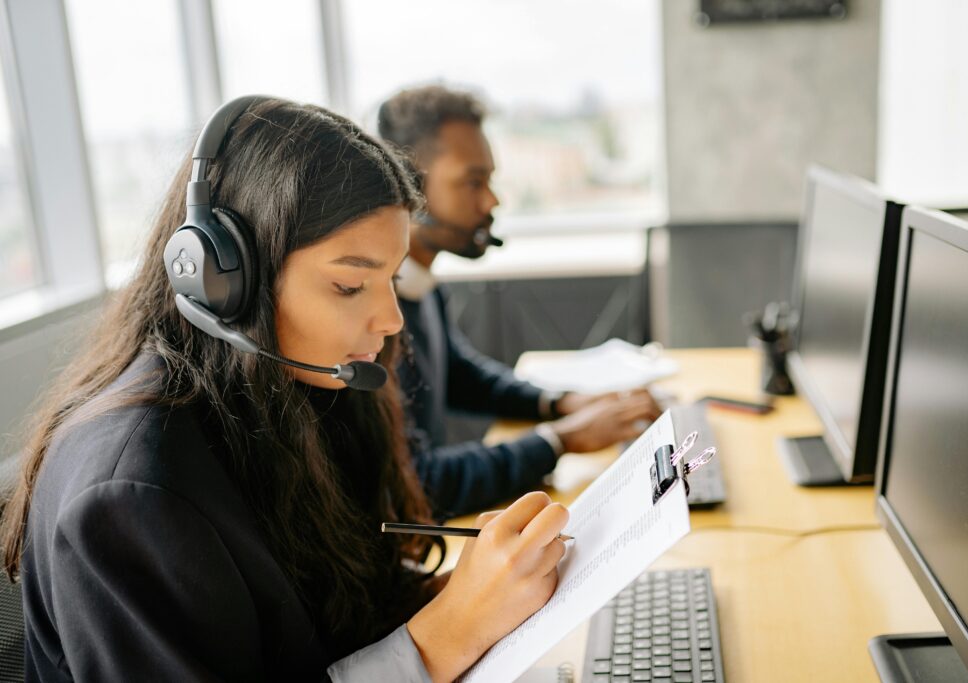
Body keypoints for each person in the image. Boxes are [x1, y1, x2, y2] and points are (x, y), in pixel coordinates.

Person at [0, 97, 569, 682]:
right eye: (350, 285)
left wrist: (474, 592)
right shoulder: (130, 494)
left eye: (391, 277)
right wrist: (448, 633)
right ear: (228, 282)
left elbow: (324, 633)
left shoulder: (297, 391)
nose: (392, 318)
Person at [376, 85, 662, 518]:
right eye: (474, 182)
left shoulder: (419, 283)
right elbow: (419, 482)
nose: (492, 200)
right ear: (409, 186)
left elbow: (461, 375)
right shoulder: (375, 319)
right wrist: (560, 439)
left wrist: (560, 403)